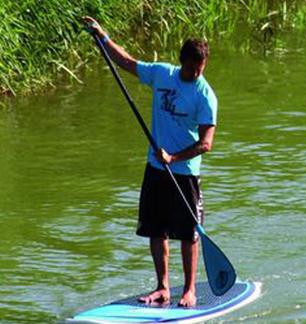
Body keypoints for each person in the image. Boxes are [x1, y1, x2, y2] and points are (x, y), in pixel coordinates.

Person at [83, 16, 218, 308]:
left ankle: (190, 289)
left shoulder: (206, 95)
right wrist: (102, 37)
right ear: (181, 61)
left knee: (188, 235)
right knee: (156, 229)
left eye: (200, 69)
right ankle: (162, 287)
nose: (196, 73)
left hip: (185, 173)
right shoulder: (162, 74)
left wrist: (174, 157)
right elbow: (128, 63)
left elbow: (206, 143)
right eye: (192, 67)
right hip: (156, 169)